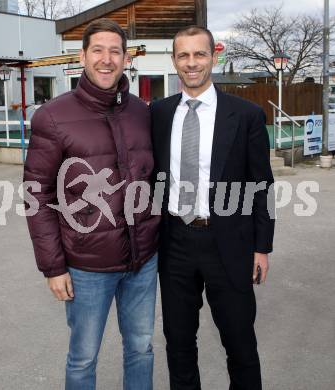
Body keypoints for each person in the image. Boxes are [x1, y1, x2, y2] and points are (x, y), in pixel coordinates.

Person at [24, 19, 159, 390]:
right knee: (83, 359)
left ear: (126, 58)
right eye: (97, 50)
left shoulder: (141, 112)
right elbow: (37, 195)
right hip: (86, 267)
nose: (106, 59)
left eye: (115, 51)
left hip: (142, 262)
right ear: (82, 56)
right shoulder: (53, 116)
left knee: (141, 349)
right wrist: (53, 267)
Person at [150, 25, 275, 390]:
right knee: (179, 344)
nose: (192, 63)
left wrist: (261, 247)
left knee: (240, 345)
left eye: (200, 54)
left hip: (230, 244)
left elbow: (261, 185)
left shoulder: (246, 114)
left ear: (213, 57)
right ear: (174, 60)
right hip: (174, 243)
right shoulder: (157, 113)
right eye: (183, 55)